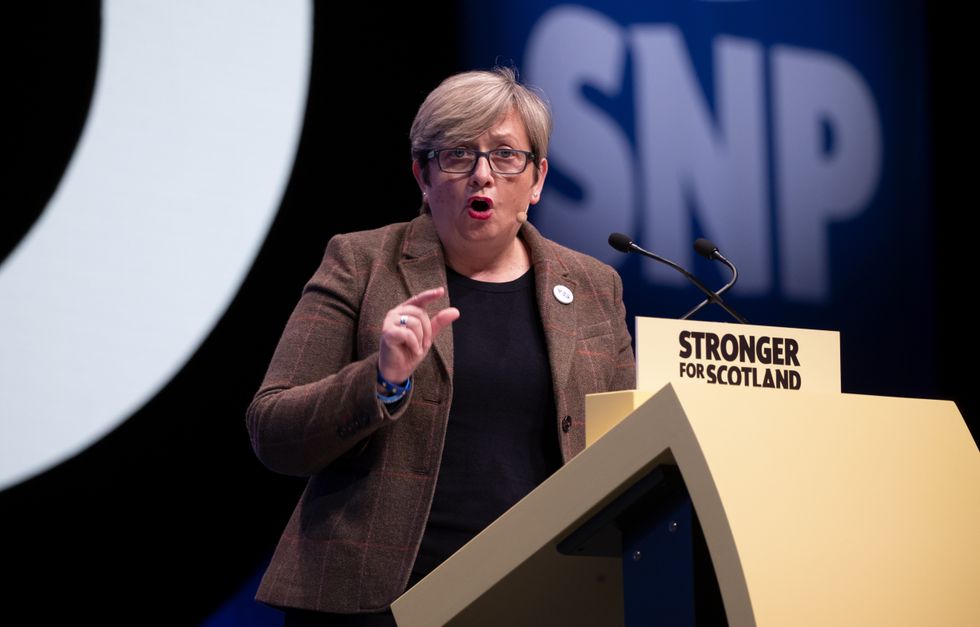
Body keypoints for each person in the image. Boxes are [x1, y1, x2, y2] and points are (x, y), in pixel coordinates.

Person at [246, 67, 635, 625]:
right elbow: (273, 430)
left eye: (506, 155)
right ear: (422, 175)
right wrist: (381, 380)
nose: (483, 175)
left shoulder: (596, 287)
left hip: (541, 597)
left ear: (538, 178)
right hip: (376, 604)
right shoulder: (361, 264)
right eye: (457, 155)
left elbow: (623, 449)